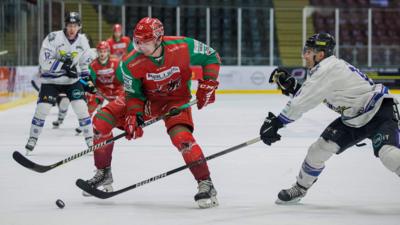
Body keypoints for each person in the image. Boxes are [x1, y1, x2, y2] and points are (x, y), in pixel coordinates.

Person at [85, 17, 221, 209]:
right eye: (136, 40)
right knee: (101, 122)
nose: (139, 46)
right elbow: (133, 93)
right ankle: (103, 172)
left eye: (144, 42)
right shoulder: (130, 62)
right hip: (146, 99)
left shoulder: (182, 46)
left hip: (175, 101)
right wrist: (134, 115)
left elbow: (211, 56)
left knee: (183, 139)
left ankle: (205, 183)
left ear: (158, 39)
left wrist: (209, 83)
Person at [259, 33, 400, 204]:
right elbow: (317, 94)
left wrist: (277, 122)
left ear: (320, 54)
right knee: (318, 150)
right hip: (353, 118)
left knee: (389, 155)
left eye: (308, 51)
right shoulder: (325, 69)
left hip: (379, 111)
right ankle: (300, 188)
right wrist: (295, 87)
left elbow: (302, 102)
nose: (304, 55)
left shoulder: (327, 69)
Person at [24, 12, 95, 155]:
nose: (72, 29)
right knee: (42, 109)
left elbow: (83, 64)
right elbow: (44, 60)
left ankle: (90, 140)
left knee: (81, 108)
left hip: (72, 82)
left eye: (75, 26)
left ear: (79, 27)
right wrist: (64, 67)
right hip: (51, 81)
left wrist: (87, 79)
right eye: (69, 25)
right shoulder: (53, 37)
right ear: (65, 25)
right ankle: (33, 138)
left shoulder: (83, 40)